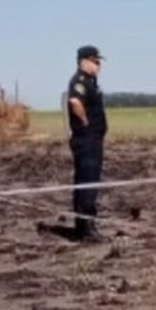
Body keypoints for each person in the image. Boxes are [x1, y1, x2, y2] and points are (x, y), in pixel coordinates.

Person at [66, 45, 108, 241]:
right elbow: (75, 102)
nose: (98, 65)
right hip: (86, 140)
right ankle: (86, 229)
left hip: (94, 139)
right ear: (84, 62)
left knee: (90, 181)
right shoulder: (80, 82)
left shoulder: (91, 82)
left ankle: (85, 224)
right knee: (87, 183)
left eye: (99, 62)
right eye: (95, 61)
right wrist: (85, 123)